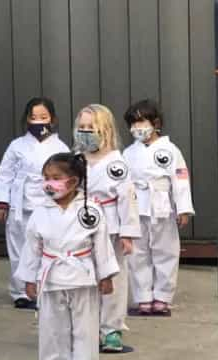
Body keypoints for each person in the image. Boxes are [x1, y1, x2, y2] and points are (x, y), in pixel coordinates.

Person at [15, 152, 119, 360]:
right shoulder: (40, 211)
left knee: (85, 331)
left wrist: (105, 275)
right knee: (52, 332)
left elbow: (101, 245)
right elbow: (32, 247)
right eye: (45, 178)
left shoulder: (91, 210)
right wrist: (28, 278)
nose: (48, 183)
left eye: (55, 178)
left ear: (73, 182)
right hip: (51, 278)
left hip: (82, 278)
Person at [73, 104, 141, 351]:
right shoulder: (76, 160)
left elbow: (127, 198)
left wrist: (128, 233)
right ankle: (86, 325)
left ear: (105, 130)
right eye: (81, 127)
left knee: (113, 277)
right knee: (84, 278)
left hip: (111, 228)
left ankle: (111, 328)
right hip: (80, 228)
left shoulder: (116, 163)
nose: (85, 131)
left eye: (91, 127)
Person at [0, 97, 69, 308]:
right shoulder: (16, 145)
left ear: (52, 119)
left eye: (43, 117)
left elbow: (67, 178)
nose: (38, 122)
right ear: (27, 120)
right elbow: (4, 174)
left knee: (45, 248)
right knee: (18, 248)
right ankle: (20, 291)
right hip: (20, 204)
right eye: (34, 117)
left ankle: (43, 287)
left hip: (48, 204)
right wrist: (2, 203)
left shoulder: (60, 147)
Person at [123, 99, 194, 314]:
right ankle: (143, 297)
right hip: (136, 206)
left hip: (162, 205)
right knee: (138, 253)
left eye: (141, 122)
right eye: (133, 124)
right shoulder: (128, 153)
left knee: (166, 251)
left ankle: (162, 296)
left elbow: (180, 179)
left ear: (155, 123)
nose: (137, 128)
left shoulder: (170, 150)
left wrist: (183, 208)